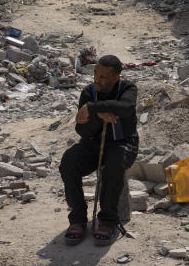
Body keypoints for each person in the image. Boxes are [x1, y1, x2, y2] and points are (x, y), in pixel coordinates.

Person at [59, 54, 138, 246]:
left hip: (123, 143)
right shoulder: (88, 92)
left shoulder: (127, 89)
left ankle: (108, 220)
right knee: (69, 161)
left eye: (103, 77)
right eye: (96, 74)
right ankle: (78, 218)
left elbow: (126, 107)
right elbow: (81, 128)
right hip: (92, 143)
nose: (97, 79)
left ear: (116, 77)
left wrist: (94, 108)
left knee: (114, 162)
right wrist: (100, 116)